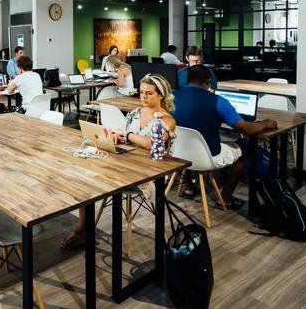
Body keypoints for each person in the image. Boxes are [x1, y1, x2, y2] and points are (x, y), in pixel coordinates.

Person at [60, 73, 176, 248]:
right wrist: (116, 137)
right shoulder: (135, 113)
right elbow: (127, 136)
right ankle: (82, 229)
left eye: (149, 93)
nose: (143, 96)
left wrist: (128, 135)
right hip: (127, 163)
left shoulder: (167, 120)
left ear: (161, 94)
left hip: (150, 173)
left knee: (92, 178)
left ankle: (82, 230)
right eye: (141, 92)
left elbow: (150, 144)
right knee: (86, 175)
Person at [172, 65, 277, 208]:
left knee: (187, 139)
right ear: (208, 81)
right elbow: (246, 129)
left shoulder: (171, 97)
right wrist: (265, 123)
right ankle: (225, 198)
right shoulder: (218, 101)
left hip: (180, 153)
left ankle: (189, 187)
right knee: (243, 149)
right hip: (208, 157)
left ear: (187, 79)